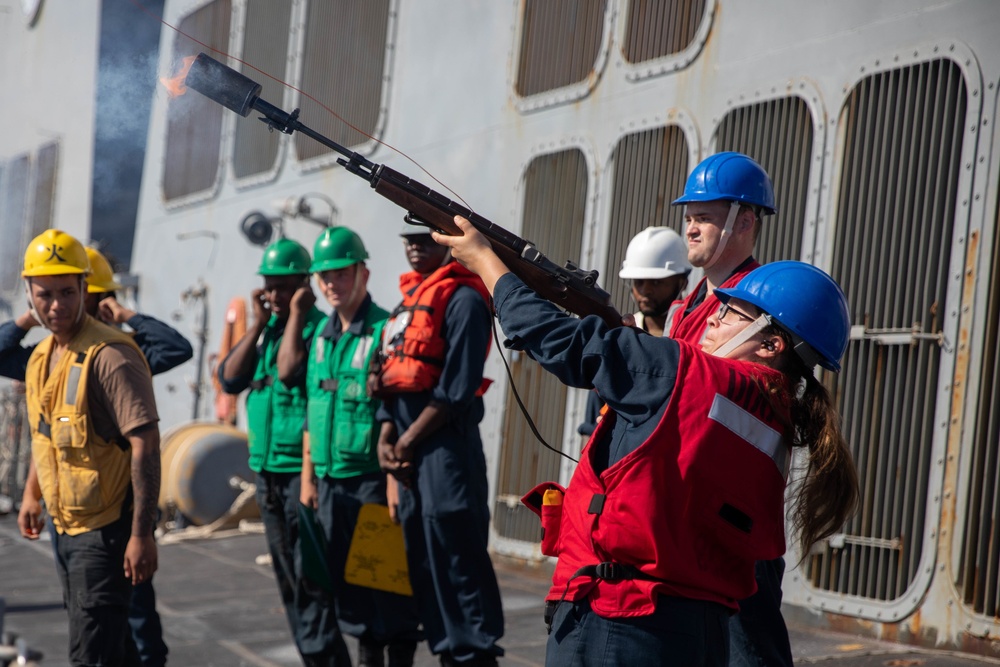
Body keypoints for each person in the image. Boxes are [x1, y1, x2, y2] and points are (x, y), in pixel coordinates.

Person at [433, 217, 860, 667]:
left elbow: (560, 340)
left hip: (620, 620)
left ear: (771, 344)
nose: (713, 318)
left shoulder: (690, 373)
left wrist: (486, 263)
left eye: (731, 313)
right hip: (697, 630)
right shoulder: (778, 416)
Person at [0, 245, 189, 667]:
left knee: (99, 651)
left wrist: (143, 535)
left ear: (86, 289)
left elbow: (146, 442)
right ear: (30, 292)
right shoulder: (43, 359)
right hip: (65, 523)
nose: (57, 305)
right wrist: (32, 494)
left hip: (105, 528)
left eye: (68, 292)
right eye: (44, 294)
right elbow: (47, 435)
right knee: (115, 646)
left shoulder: (115, 355)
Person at [669, 152, 794, 667]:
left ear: (745, 221)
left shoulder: (764, 306)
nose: (691, 227)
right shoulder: (698, 303)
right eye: (689, 216)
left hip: (736, 514)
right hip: (697, 508)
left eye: (705, 215)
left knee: (750, 653)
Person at [373, 224, 504, 667]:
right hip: (409, 454)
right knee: (422, 557)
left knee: (456, 553)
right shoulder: (406, 307)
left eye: (424, 238)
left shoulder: (465, 301)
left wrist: (405, 441)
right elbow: (391, 380)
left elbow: (457, 387)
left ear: (447, 244)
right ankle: (449, 650)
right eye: (407, 239)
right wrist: (386, 437)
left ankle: (474, 652)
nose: (413, 246)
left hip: (446, 451)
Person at [217, 238, 350, 667]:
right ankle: (315, 657)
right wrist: (258, 323)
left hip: (300, 474)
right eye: (268, 287)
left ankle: (326, 659)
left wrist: (294, 314)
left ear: (303, 286)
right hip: (267, 472)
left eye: (282, 286)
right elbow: (230, 379)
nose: (272, 295)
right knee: (288, 579)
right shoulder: (266, 332)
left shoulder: (318, 330)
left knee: (310, 578)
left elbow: (291, 371)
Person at [295, 227, 422, 667]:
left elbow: (395, 412)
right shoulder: (320, 339)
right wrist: (308, 481)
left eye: (341, 273)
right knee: (351, 595)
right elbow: (314, 409)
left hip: (371, 482)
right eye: (324, 276)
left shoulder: (385, 330)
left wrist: (392, 484)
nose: (332, 283)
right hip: (330, 486)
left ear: (362, 272)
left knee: (388, 587)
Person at [579, 226, 692, 437]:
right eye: (639, 282)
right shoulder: (619, 338)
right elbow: (592, 423)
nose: (646, 291)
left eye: (657, 282)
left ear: (682, 282)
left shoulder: (693, 337)